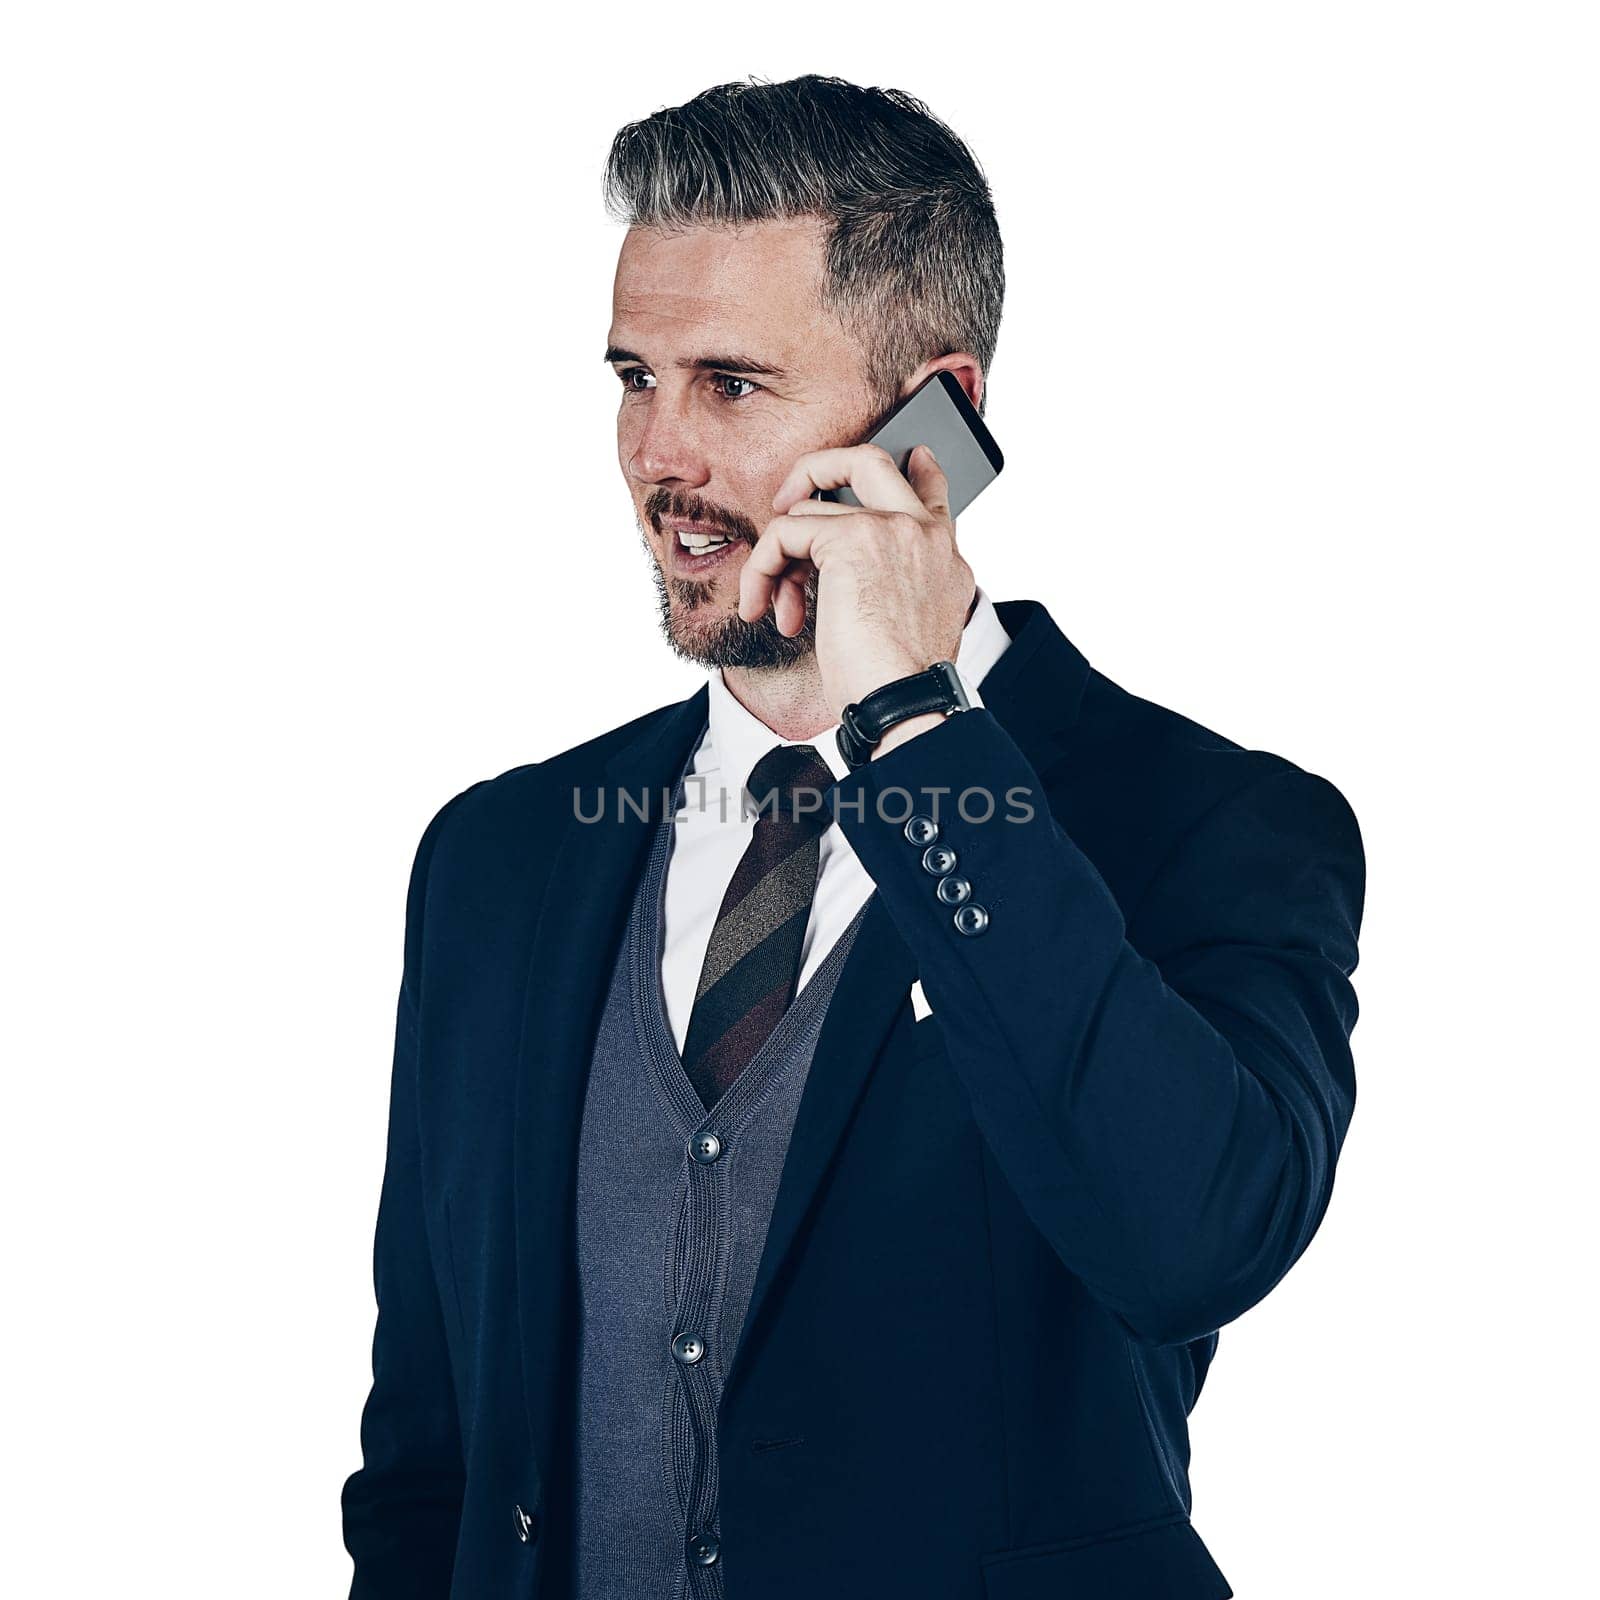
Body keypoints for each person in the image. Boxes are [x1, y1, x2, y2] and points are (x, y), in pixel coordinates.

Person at [342, 74, 1364, 1600]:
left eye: (730, 388)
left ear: (929, 430)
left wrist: (918, 736)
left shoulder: (1210, 824)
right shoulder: (499, 857)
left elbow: (1192, 1241)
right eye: (636, 376)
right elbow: (430, 1459)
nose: (658, 457)